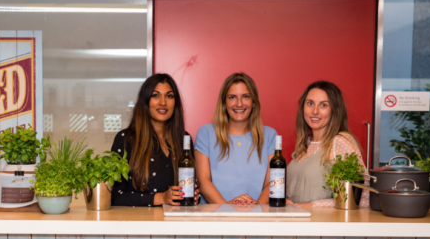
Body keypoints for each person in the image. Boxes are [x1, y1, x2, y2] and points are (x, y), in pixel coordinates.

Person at [111, 74, 199, 207]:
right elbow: (116, 197)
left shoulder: (184, 139)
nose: (163, 102)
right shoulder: (125, 139)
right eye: (156, 95)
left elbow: (188, 186)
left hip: (176, 223)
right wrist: (162, 198)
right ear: (145, 100)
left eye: (169, 96)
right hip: (139, 224)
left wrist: (191, 195)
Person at [195, 72, 277, 204]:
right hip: (215, 220)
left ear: (253, 102)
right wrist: (227, 209)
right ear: (224, 103)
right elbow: (203, 182)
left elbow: (272, 183)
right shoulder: (206, 133)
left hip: (257, 219)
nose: (239, 104)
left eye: (245, 97)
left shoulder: (270, 136)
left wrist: (256, 208)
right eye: (232, 97)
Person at [287, 81, 369, 207]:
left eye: (323, 105)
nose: (315, 111)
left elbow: (362, 198)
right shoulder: (305, 143)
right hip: (297, 221)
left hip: (322, 224)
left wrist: (312, 205)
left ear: (334, 110)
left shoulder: (340, 142)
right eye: (310, 103)